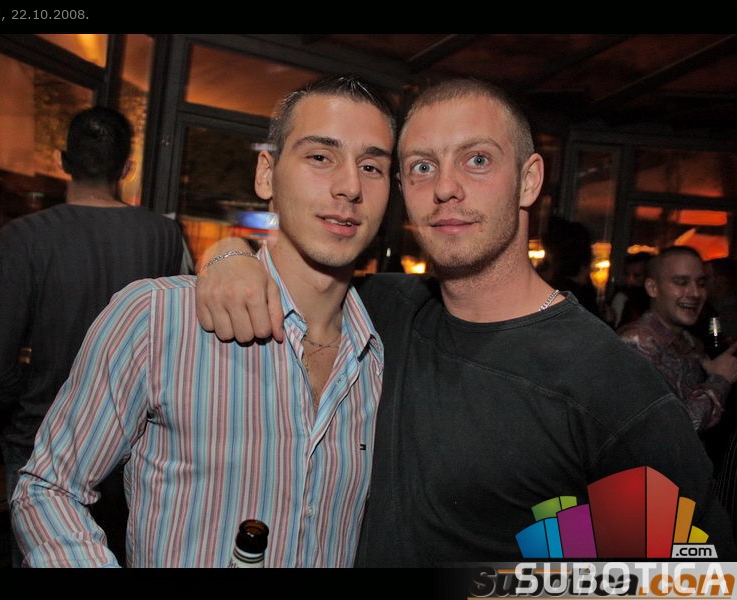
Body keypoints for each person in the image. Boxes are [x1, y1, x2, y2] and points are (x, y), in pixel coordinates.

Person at [195, 77, 737, 564]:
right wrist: (228, 254)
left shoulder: (606, 380)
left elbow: (696, 576)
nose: (445, 188)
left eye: (477, 160)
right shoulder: (384, 309)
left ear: (528, 181)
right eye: (422, 166)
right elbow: (298, 274)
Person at [9, 74, 396, 567]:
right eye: (320, 157)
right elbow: (49, 487)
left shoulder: (386, 352)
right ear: (266, 174)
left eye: (371, 166)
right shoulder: (157, 319)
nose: (350, 186)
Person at [0, 106, 185, 566]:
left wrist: (28, 410)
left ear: (62, 160)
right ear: (127, 169)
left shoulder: (22, 237)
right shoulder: (163, 235)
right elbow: (175, 349)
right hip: (132, 446)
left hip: (43, 445)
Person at [617, 246, 737, 434]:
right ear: (652, 288)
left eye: (701, 283)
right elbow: (670, 428)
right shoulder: (636, 342)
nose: (695, 293)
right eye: (681, 282)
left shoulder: (692, 343)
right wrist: (720, 379)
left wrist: (712, 371)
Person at [603, 250, 652, 329]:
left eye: (636, 275)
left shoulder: (655, 301)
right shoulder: (622, 297)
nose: (630, 280)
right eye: (626, 274)